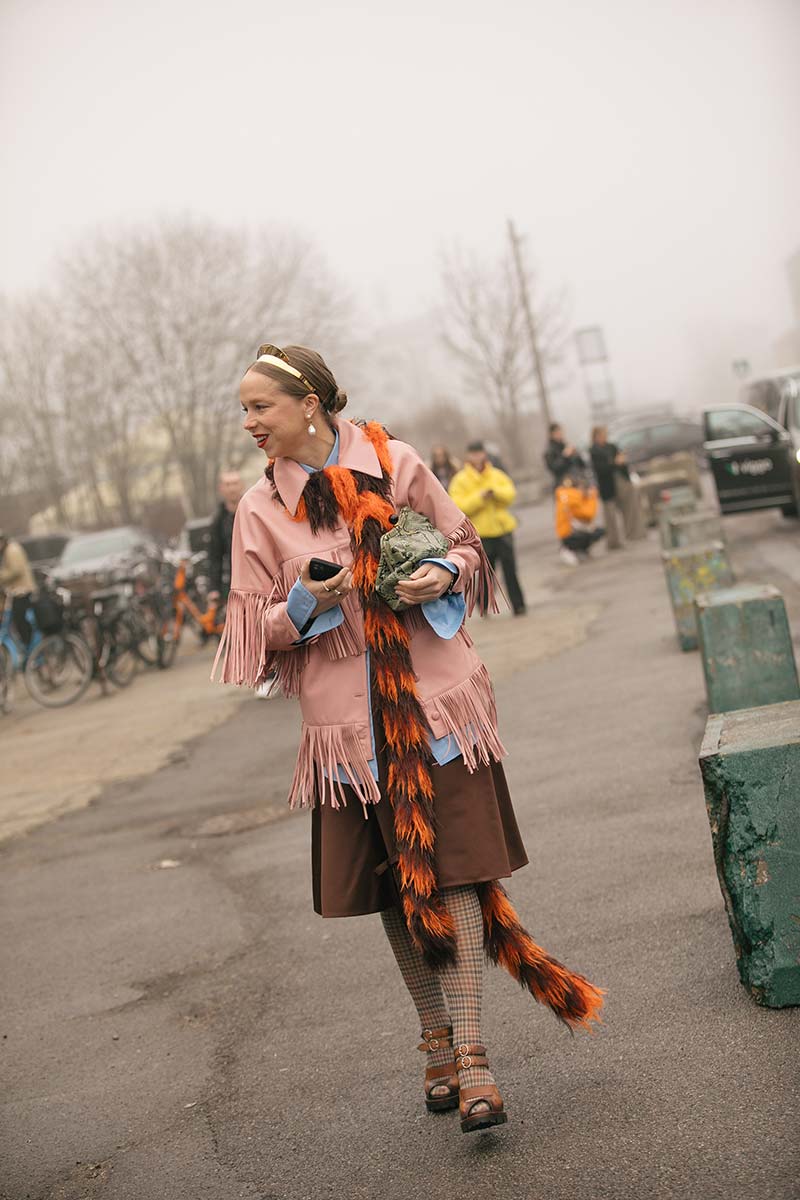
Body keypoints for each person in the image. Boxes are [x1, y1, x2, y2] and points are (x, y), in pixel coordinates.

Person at [214, 343, 603, 1134]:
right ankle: (435, 1036)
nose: (250, 423)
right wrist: (304, 604)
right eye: (246, 411)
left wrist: (444, 575)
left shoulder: (396, 462)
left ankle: (472, 1058)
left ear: (310, 404)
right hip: (348, 734)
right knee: (397, 882)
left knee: (454, 872)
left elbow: (468, 546)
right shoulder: (258, 511)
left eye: (260, 407)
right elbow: (251, 634)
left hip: (433, 707)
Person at [448, 441, 527, 617]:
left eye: (479, 453)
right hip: (480, 534)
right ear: (468, 455)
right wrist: (480, 498)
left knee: (511, 571)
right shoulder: (460, 480)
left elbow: (510, 494)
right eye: (473, 453)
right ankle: (483, 605)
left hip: (502, 529)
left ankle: (519, 605)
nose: (477, 457)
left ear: (484, 454)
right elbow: (458, 505)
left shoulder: (497, 475)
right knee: (485, 574)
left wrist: (495, 493)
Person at [589, 425, 634, 550]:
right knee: (610, 516)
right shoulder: (594, 451)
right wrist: (615, 463)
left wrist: (620, 462)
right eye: (602, 435)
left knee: (627, 510)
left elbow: (622, 461)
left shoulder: (611, 446)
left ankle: (630, 535)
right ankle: (613, 542)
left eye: (605, 435)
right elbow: (600, 469)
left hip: (619, 483)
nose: (604, 437)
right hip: (606, 486)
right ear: (596, 437)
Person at [207, 470, 245, 605]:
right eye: (227, 484)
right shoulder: (218, 520)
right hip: (233, 581)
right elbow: (215, 556)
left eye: (235, 483)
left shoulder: (253, 510)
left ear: (241, 485)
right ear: (221, 489)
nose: (232, 488)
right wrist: (213, 589)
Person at [554, 472, 605, 566]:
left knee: (596, 531)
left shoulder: (567, 495)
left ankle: (581, 550)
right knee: (595, 532)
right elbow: (589, 514)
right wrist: (592, 498)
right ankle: (569, 549)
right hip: (568, 534)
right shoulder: (573, 498)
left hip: (567, 532)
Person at [0, 531, 36, 649]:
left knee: (20, 621)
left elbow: (16, 571)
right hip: (16, 591)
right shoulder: (7, 551)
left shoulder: (12, 550)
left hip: (22, 591)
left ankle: (31, 647)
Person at [544, 423, 585, 490]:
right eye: (557, 432)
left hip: (576, 482)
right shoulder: (549, 451)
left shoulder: (566, 445)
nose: (560, 433)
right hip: (563, 484)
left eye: (560, 431)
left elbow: (581, 465)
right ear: (551, 434)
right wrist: (564, 456)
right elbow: (554, 468)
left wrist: (576, 454)